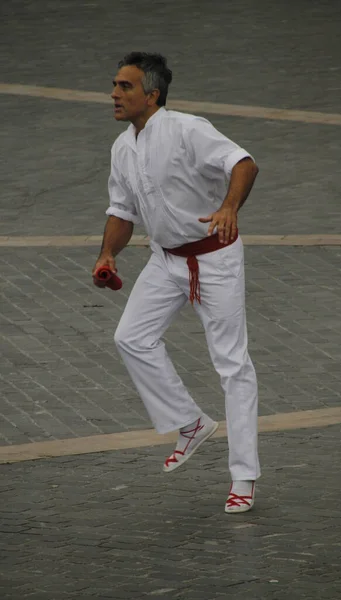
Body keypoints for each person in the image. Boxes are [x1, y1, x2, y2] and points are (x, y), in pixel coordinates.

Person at [93, 52, 260, 513]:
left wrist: (229, 208)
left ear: (152, 94)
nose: (114, 94)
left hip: (216, 260)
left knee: (232, 365)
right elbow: (121, 212)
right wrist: (108, 253)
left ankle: (243, 476)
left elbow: (243, 162)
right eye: (114, 85)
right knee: (131, 337)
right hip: (165, 261)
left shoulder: (189, 129)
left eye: (124, 87)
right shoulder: (121, 147)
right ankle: (190, 423)